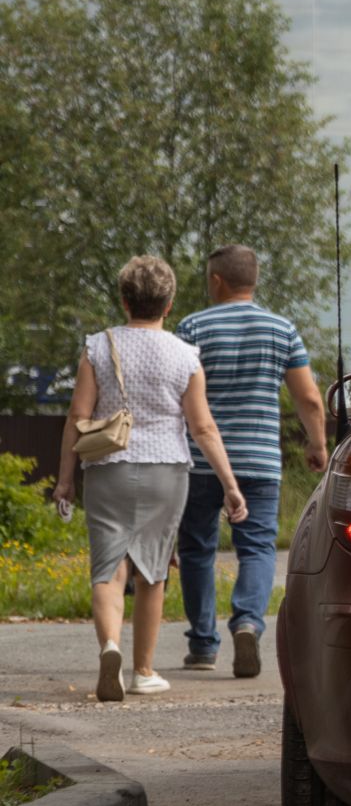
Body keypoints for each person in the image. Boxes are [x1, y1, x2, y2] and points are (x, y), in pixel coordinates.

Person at [52, 256, 248, 702]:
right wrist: (230, 486)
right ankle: (143, 671)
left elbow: (78, 417)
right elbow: (203, 429)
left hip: (107, 468)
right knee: (152, 572)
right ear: (169, 303)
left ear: (124, 301)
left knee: (107, 568)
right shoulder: (185, 355)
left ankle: (110, 648)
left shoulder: (98, 347)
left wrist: (65, 480)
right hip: (166, 469)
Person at [174, 245, 327, 679]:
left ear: (217, 280)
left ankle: (203, 645)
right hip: (260, 460)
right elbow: (309, 397)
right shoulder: (282, 329)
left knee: (197, 549)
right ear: (253, 280)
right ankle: (247, 623)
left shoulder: (192, 327)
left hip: (201, 460)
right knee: (257, 547)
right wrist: (317, 445)